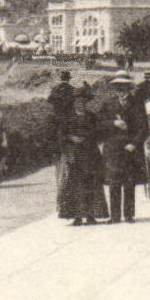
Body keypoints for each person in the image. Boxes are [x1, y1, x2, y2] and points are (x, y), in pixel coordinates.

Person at [95, 71, 147, 222]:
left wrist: (134, 144)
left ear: (129, 87)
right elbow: (97, 124)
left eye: (124, 86)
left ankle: (129, 214)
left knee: (129, 181)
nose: (120, 89)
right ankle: (115, 215)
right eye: (118, 86)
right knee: (114, 182)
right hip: (112, 148)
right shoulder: (108, 104)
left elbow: (143, 128)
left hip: (129, 148)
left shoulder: (137, 104)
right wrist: (113, 123)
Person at [56, 84, 105, 225]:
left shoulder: (91, 116)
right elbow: (61, 136)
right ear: (74, 103)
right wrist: (71, 138)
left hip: (90, 154)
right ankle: (77, 217)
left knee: (91, 184)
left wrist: (89, 137)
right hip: (74, 155)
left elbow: (98, 132)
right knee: (75, 186)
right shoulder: (68, 118)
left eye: (83, 102)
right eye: (77, 102)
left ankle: (90, 215)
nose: (80, 104)